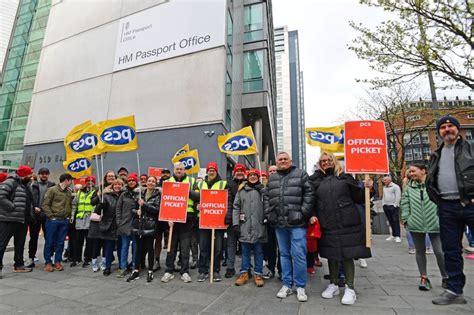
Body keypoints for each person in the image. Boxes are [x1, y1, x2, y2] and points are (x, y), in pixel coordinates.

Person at [311, 152, 372, 305]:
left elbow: (358, 197)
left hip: (347, 222)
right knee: (331, 254)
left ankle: (350, 288)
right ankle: (333, 284)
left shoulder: (345, 177)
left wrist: (368, 188)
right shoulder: (315, 180)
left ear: (334, 161)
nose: (326, 163)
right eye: (322, 161)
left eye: (328, 160)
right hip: (327, 223)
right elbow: (311, 200)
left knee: (347, 255)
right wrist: (312, 215)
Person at [426, 115, 474, 305]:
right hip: (447, 206)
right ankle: (454, 290)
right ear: (439, 132)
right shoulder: (436, 154)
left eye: (451, 126)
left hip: (470, 204)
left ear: (458, 129)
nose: (447, 130)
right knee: (451, 250)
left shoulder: (471, 148)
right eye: (443, 127)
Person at [265, 152, 313, 302]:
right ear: (277, 162)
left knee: (298, 254)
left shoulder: (301, 174)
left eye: (285, 159)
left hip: (297, 223)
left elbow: (310, 194)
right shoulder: (272, 178)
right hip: (279, 223)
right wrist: (269, 214)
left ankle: (300, 286)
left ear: (290, 161)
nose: (283, 161)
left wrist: (302, 213)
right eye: (280, 159)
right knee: (284, 254)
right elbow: (266, 197)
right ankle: (286, 284)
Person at [401, 164, 448, 291]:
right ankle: (424, 277)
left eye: (413, 171)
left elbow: (443, 202)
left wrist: (442, 218)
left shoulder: (435, 185)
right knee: (420, 251)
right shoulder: (408, 188)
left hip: (436, 223)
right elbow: (405, 204)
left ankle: (446, 277)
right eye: (410, 172)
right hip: (415, 224)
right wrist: (406, 219)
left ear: (423, 171)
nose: (411, 174)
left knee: (439, 252)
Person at [161, 162, 199, 283]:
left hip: (187, 219)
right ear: (174, 169)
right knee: (171, 247)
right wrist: (167, 218)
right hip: (172, 220)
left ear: (184, 170)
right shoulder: (167, 182)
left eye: (181, 169)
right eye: (177, 169)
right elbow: (164, 201)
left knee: (185, 247)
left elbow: (198, 196)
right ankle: (169, 271)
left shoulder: (192, 181)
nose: (179, 171)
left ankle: (185, 271)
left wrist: (185, 190)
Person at [233, 169, 267, 287]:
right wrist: (236, 223)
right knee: (245, 251)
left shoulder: (263, 190)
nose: (253, 177)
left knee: (258, 251)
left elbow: (267, 205)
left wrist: (266, 218)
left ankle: (258, 273)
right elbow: (236, 207)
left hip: (259, 225)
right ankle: (244, 273)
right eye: (251, 175)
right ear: (248, 177)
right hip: (245, 225)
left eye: (255, 175)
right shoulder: (241, 190)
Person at [196, 162, 229, 282]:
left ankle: (215, 271)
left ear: (216, 171)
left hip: (218, 221)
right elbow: (195, 198)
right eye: (209, 170)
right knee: (204, 247)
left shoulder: (223, 184)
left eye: (213, 170)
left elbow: (227, 200)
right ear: (207, 172)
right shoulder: (200, 184)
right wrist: (197, 205)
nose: (211, 172)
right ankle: (203, 271)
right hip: (204, 220)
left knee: (218, 248)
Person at [0, 166, 35, 277]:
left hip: (22, 220)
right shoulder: (11, 182)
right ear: (24, 175)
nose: (31, 177)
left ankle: (19, 265)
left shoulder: (26, 185)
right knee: (2, 244)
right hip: (8, 220)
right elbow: (1, 196)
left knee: (20, 244)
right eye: (29, 175)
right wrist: (12, 207)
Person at [127, 176, 160, 282]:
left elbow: (156, 210)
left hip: (150, 226)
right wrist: (136, 212)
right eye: (149, 181)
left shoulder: (158, 195)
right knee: (138, 249)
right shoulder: (139, 194)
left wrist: (144, 205)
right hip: (139, 225)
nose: (151, 183)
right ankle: (136, 270)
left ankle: (150, 270)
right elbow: (132, 208)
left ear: (156, 183)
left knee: (150, 249)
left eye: (153, 181)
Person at [91, 178, 123, 276]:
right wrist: (100, 202)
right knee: (108, 248)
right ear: (112, 186)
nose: (117, 186)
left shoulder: (124, 195)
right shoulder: (106, 196)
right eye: (115, 184)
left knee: (122, 247)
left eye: (119, 185)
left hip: (121, 225)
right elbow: (96, 210)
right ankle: (107, 267)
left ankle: (122, 266)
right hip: (109, 225)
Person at [42, 173, 73, 272]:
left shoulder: (69, 191)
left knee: (60, 242)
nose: (71, 182)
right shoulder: (52, 190)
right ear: (66, 180)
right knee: (50, 242)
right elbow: (45, 205)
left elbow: (70, 205)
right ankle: (48, 262)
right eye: (70, 180)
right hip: (53, 220)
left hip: (64, 220)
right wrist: (51, 217)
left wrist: (68, 217)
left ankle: (57, 262)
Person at [27, 167, 55, 268]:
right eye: (42, 173)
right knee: (33, 238)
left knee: (49, 238)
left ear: (48, 175)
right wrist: (33, 208)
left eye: (46, 173)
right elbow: (29, 200)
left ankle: (49, 258)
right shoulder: (32, 185)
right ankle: (31, 258)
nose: (44, 175)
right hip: (35, 216)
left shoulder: (53, 185)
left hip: (48, 216)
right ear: (39, 174)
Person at [224, 163, 247, 278]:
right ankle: (230, 267)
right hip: (233, 219)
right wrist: (229, 218)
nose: (239, 173)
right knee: (231, 244)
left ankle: (246, 268)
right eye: (237, 171)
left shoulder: (248, 184)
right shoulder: (229, 184)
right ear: (234, 172)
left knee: (245, 246)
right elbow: (227, 203)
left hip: (246, 221)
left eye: (241, 171)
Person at [115, 173, 140, 278]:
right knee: (124, 247)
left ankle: (135, 266)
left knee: (135, 247)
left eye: (133, 180)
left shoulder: (140, 194)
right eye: (129, 180)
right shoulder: (123, 194)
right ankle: (123, 267)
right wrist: (119, 222)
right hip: (124, 224)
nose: (131, 182)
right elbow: (118, 208)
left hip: (135, 225)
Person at [70, 176, 96, 268]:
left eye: (91, 181)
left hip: (90, 220)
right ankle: (76, 259)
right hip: (80, 220)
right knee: (78, 242)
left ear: (94, 183)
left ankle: (87, 259)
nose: (89, 183)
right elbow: (74, 204)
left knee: (89, 242)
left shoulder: (96, 192)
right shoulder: (80, 192)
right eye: (88, 181)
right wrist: (72, 215)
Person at [263, 164, 281, 280]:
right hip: (270, 221)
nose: (273, 172)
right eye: (271, 171)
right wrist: (268, 216)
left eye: (275, 170)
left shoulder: (283, 185)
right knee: (271, 247)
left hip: (282, 221)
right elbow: (265, 204)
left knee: (282, 248)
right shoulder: (265, 188)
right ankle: (270, 268)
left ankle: (281, 270)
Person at [153, 168, 171, 270]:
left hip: (169, 215)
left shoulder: (173, 184)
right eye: (163, 173)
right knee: (158, 239)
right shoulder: (157, 186)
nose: (165, 174)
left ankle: (170, 261)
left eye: (167, 173)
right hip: (158, 216)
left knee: (171, 240)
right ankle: (157, 260)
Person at [382, 175, 402, 243]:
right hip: (386, 206)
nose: (384, 181)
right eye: (383, 180)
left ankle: (398, 236)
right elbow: (384, 196)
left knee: (395, 221)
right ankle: (393, 235)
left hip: (393, 206)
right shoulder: (384, 187)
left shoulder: (395, 187)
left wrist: (395, 205)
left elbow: (398, 196)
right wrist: (383, 204)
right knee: (390, 221)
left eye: (385, 180)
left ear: (389, 180)